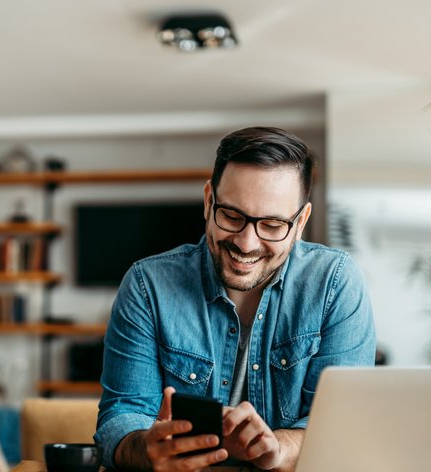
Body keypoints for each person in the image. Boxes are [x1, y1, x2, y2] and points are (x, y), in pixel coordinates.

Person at [93, 127, 376, 471]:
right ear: (209, 201)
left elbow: (342, 428)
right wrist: (144, 448)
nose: (246, 243)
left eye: (272, 224)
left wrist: (279, 449)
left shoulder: (335, 284)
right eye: (232, 216)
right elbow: (121, 417)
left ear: (301, 221)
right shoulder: (146, 285)